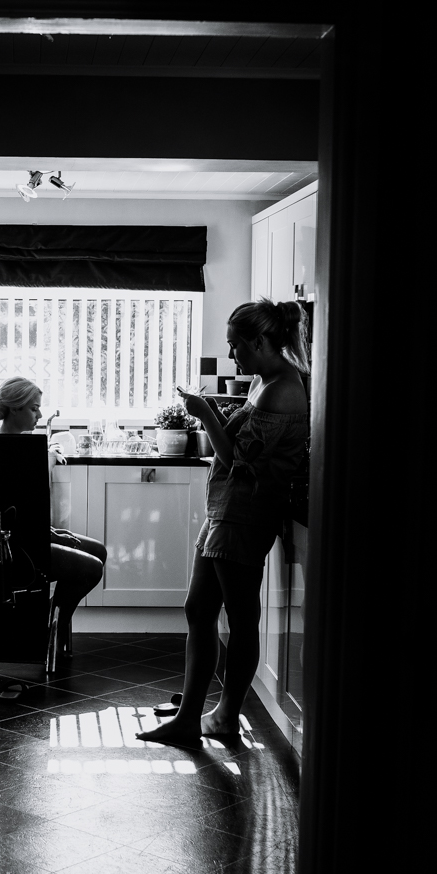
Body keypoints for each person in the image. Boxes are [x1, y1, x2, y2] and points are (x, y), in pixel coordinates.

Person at [138, 299, 310, 746]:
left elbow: (237, 460)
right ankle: (197, 713)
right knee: (199, 608)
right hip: (227, 510)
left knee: (240, 617)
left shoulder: (283, 389)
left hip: (246, 515)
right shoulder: (264, 380)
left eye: (236, 346)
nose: (232, 354)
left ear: (260, 341)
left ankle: (221, 714)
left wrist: (205, 414)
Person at [0, 376, 108, 649]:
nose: (40, 414)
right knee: (92, 567)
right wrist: (47, 535)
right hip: (17, 548)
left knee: (98, 550)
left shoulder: (17, 444)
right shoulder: (3, 448)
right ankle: (55, 626)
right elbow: (6, 513)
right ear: (15, 409)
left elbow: (24, 505)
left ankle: (54, 622)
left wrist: (50, 532)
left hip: (27, 536)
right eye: (34, 408)